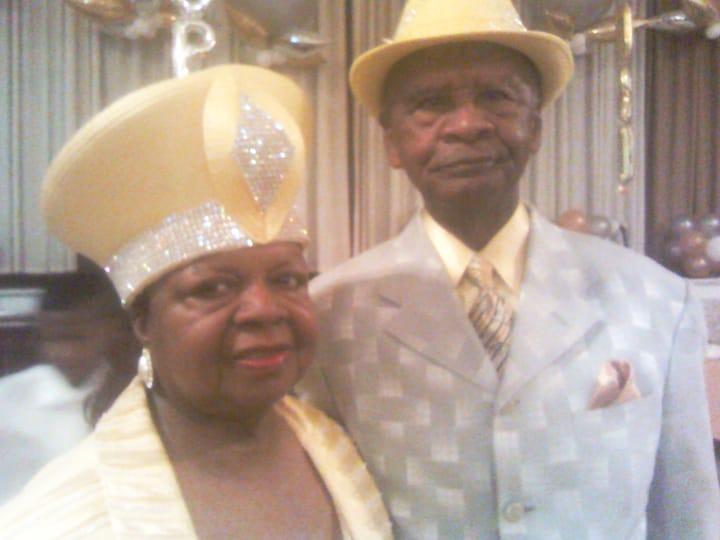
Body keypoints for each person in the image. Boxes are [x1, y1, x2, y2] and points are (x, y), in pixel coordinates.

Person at [297, 0, 720, 538]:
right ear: (391, 142)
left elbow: (686, 512)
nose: (468, 125)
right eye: (430, 104)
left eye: (497, 98)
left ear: (535, 127)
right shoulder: (330, 316)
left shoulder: (657, 299)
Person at [0, 64, 391, 539]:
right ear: (143, 321)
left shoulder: (330, 446)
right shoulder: (67, 520)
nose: (265, 309)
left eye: (287, 279)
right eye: (213, 289)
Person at [0, 271, 137, 503]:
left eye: (75, 338)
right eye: (53, 339)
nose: (63, 352)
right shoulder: (9, 400)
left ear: (108, 331)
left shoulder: (129, 395)